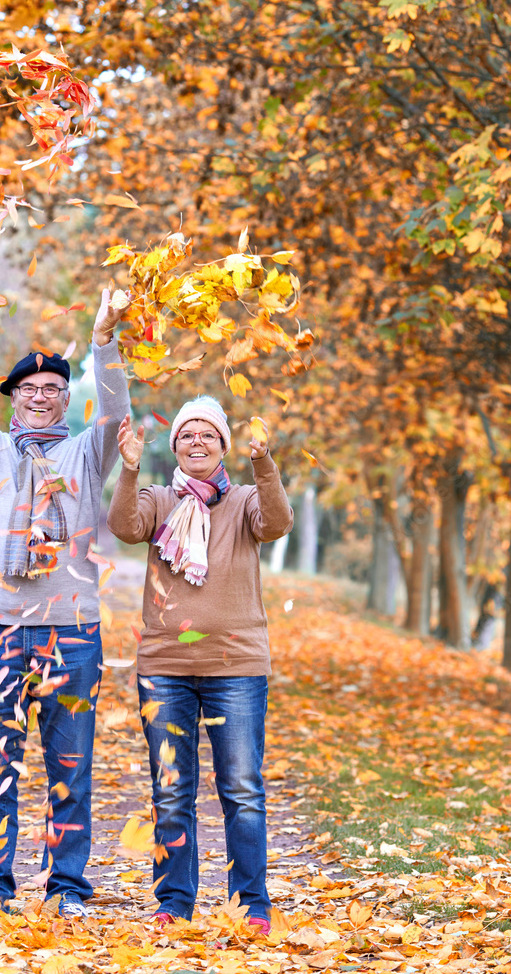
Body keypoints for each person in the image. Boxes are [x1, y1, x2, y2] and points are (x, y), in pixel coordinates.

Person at [0, 277, 131, 922]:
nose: (43, 398)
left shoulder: (86, 454)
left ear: (64, 397)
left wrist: (103, 340)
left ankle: (67, 890)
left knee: (69, 767)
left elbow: (115, 412)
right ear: (14, 399)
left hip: (71, 632)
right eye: (30, 390)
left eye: (54, 389)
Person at [106, 396, 293, 931]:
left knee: (241, 789)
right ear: (176, 446)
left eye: (207, 434)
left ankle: (251, 905)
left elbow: (277, 523)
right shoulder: (158, 499)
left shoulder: (247, 502)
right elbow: (123, 525)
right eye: (186, 433)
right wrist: (129, 465)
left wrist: (264, 462)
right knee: (171, 791)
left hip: (237, 667)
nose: (195, 441)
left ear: (223, 446)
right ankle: (174, 904)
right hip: (164, 666)